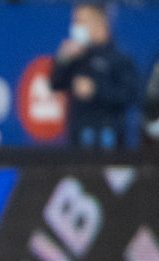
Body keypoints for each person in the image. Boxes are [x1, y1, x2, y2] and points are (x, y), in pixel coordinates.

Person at [50, 2, 139, 151]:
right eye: (75, 21)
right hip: (78, 140)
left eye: (81, 21)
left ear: (100, 22)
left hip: (110, 141)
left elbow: (130, 96)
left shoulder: (120, 58)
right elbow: (55, 84)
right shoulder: (75, 56)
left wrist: (96, 90)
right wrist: (63, 59)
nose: (76, 27)